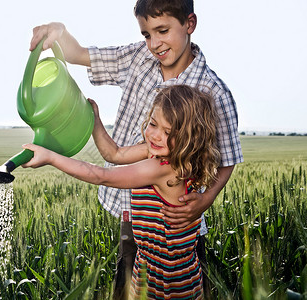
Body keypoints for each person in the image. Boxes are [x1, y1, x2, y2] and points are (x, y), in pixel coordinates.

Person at [30, 0, 243, 298]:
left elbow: (229, 159)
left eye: (163, 30)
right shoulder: (138, 58)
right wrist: (60, 31)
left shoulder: (214, 92)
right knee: (131, 282)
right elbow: (78, 55)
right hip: (135, 218)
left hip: (179, 226)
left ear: (190, 24)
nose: (154, 44)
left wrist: (205, 200)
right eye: (146, 34)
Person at [22, 85, 220, 299]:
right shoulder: (158, 152)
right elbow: (114, 153)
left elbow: (102, 176)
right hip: (146, 268)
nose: (155, 135)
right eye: (153, 124)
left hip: (171, 281)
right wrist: (95, 120)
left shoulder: (164, 169)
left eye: (168, 132)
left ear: (188, 139)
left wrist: (51, 157)